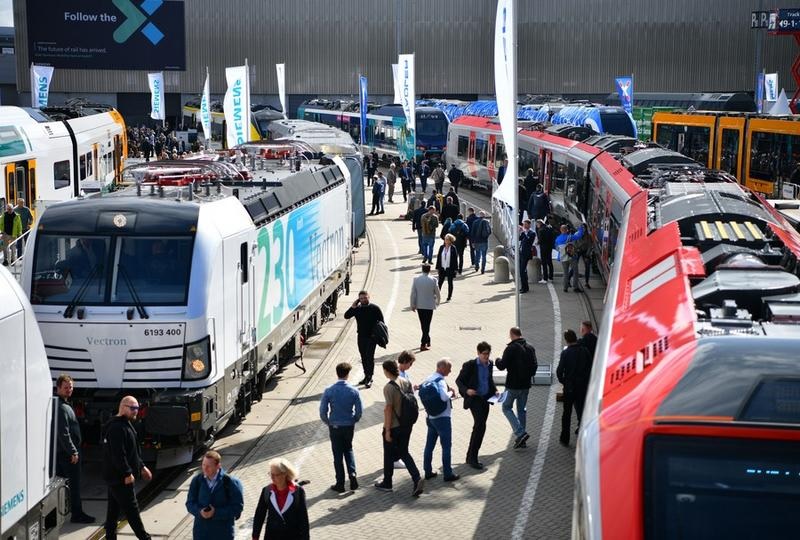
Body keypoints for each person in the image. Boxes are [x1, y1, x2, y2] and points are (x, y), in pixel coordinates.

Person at [102, 396, 153, 540]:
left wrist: (142, 466)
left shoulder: (125, 424)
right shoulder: (117, 428)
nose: (136, 411)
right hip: (119, 478)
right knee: (132, 510)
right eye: (133, 408)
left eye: (137, 408)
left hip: (115, 478)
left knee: (113, 510)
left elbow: (132, 451)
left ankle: (110, 536)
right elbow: (118, 454)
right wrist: (127, 473)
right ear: (123, 407)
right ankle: (144, 538)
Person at [374, 359, 425, 496]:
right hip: (407, 425)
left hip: (394, 426)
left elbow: (389, 409)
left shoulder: (388, 388)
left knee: (388, 454)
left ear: (386, 371)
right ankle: (416, 477)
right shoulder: (405, 381)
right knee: (403, 452)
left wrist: (388, 430)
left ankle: (387, 483)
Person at [55, 375, 95, 524]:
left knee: (68, 485)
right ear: (58, 388)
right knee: (74, 486)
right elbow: (63, 432)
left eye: (71, 387)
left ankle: (69, 512)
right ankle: (77, 514)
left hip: (65, 453)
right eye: (66, 387)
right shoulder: (61, 407)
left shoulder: (64, 404)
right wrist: (73, 451)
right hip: (68, 455)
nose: (69, 390)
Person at [319, 362, 363, 493]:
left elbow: (322, 411)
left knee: (337, 455)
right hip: (349, 425)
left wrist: (328, 422)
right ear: (348, 374)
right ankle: (353, 475)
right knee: (348, 449)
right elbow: (359, 411)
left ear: (337, 373)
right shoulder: (354, 391)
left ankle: (340, 483)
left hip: (335, 426)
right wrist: (354, 419)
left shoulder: (329, 390)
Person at [456, 342, 499, 469]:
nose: (486, 356)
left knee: (481, 427)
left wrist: (495, 390)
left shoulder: (490, 364)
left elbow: (489, 380)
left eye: (488, 354)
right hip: (475, 399)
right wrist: (466, 391)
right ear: (478, 353)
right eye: (484, 354)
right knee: (479, 425)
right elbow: (459, 381)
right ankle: (472, 458)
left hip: (486, 398)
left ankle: (471, 455)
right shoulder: (470, 365)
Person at [185, 451, 244, 540]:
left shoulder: (230, 482)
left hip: (222, 534)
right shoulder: (197, 481)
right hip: (201, 534)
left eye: (208, 466)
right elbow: (190, 503)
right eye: (203, 465)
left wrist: (215, 513)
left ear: (218, 466)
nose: (205, 468)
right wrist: (200, 511)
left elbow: (237, 508)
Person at [495, 328, 538, 449]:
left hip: (512, 386)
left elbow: (502, 366)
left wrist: (497, 360)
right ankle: (522, 440)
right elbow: (535, 365)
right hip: (525, 386)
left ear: (511, 335)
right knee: (521, 410)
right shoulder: (530, 348)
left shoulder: (510, 349)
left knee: (506, 407)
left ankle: (520, 433)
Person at [421, 359, 459, 482]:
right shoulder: (440, 381)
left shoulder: (428, 379)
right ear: (441, 368)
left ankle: (427, 471)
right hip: (443, 418)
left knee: (429, 446)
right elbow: (443, 397)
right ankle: (448, 474)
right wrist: (450, 393)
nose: (450, 371)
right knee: (446, 446)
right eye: (448, 368)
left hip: (430, 418)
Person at [252, 458, 309, 540]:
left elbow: (303, 518)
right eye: (270, 474)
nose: (272, 477)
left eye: (275, 475)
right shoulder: (267, 491)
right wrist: (255, 536)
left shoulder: (298, 492)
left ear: (284, 474)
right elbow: (259, 515)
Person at [556, 329, 593, 447]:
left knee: (567, 413)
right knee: (582, 410)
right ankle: (584, 435)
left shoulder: (565, 353)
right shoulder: (585, 350)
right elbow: (591, 367)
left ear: (566, 340)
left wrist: (564, 381)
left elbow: (559, 371)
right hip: (582, 386)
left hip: (569, 387)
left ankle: (565, 438)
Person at [343, 290, 384, 388]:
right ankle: (366, 376)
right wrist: (353, 307)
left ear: (369, 297)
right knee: (363, 358)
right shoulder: (357, 309)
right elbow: (346, 316)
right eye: (361, 298)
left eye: (365, 298)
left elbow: (382, 323)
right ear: (359, 300)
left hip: (372, 338)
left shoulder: (375, 308)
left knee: (369, 358)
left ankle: (369, 378)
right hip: (361, 337)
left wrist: (377, 336)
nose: (363, 300)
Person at [410, 263, 441, 351]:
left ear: (422, 270)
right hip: (429, 306)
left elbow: (413, 293)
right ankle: (423, 343)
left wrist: (412, 304)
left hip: (420, 305)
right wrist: (438, 301)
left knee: (423, 324)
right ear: (429, 270)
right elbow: (437, 292)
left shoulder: (416, 279)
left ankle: (427, 339)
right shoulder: (433, 280)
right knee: (427, 324)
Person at [436, 234, 458, 302]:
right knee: (440, 283)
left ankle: (449, 297)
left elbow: (455, 259)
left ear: (450, 241)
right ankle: (437, 296)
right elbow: (439, 257)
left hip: (450, 268)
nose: (445, 240)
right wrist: (437, 267)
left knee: (450, 283)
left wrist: (456, 269)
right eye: (445, 239)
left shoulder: (453, 248)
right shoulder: (441, 247)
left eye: (447, 239)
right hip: (442, 267)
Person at [518, 219, 536, 293]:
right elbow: (520, 239)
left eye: (525, 224)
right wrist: (519, 232)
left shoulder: (532, 233)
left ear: (529, 225)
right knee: (522, 271)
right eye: (523, 224)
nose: (524, 226)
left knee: (523, 270)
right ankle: (524, 286)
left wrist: (523, 232)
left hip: (526, 253)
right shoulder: (524, 232)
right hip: (521, 252)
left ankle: (524, 288)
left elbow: (529, 240)